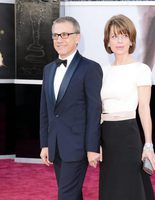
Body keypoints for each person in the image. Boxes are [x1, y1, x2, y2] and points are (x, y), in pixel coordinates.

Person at [39, 16, 102, 200]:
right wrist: (45, 143)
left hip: (78, 147)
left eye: (65, 34)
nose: (59, 39)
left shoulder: (90, 68)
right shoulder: (48, 69)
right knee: (72, 194)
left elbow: (93, 110)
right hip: (55, 145)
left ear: (77, 37)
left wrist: (92, 147)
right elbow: (45, 110)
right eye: (56, 35)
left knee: (66, 195)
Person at [100, 14, 155, 200]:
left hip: (128, 133)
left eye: (124, 35)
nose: (119, 41)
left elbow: (144, 109)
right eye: (114, 36)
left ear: (131, 40)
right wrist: (95, 142)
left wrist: (148, 145)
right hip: (105, 134)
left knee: (131, 186)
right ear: (108, 42)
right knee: (111, 185)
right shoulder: (102, 71)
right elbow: (96, 110)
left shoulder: (141, 69)